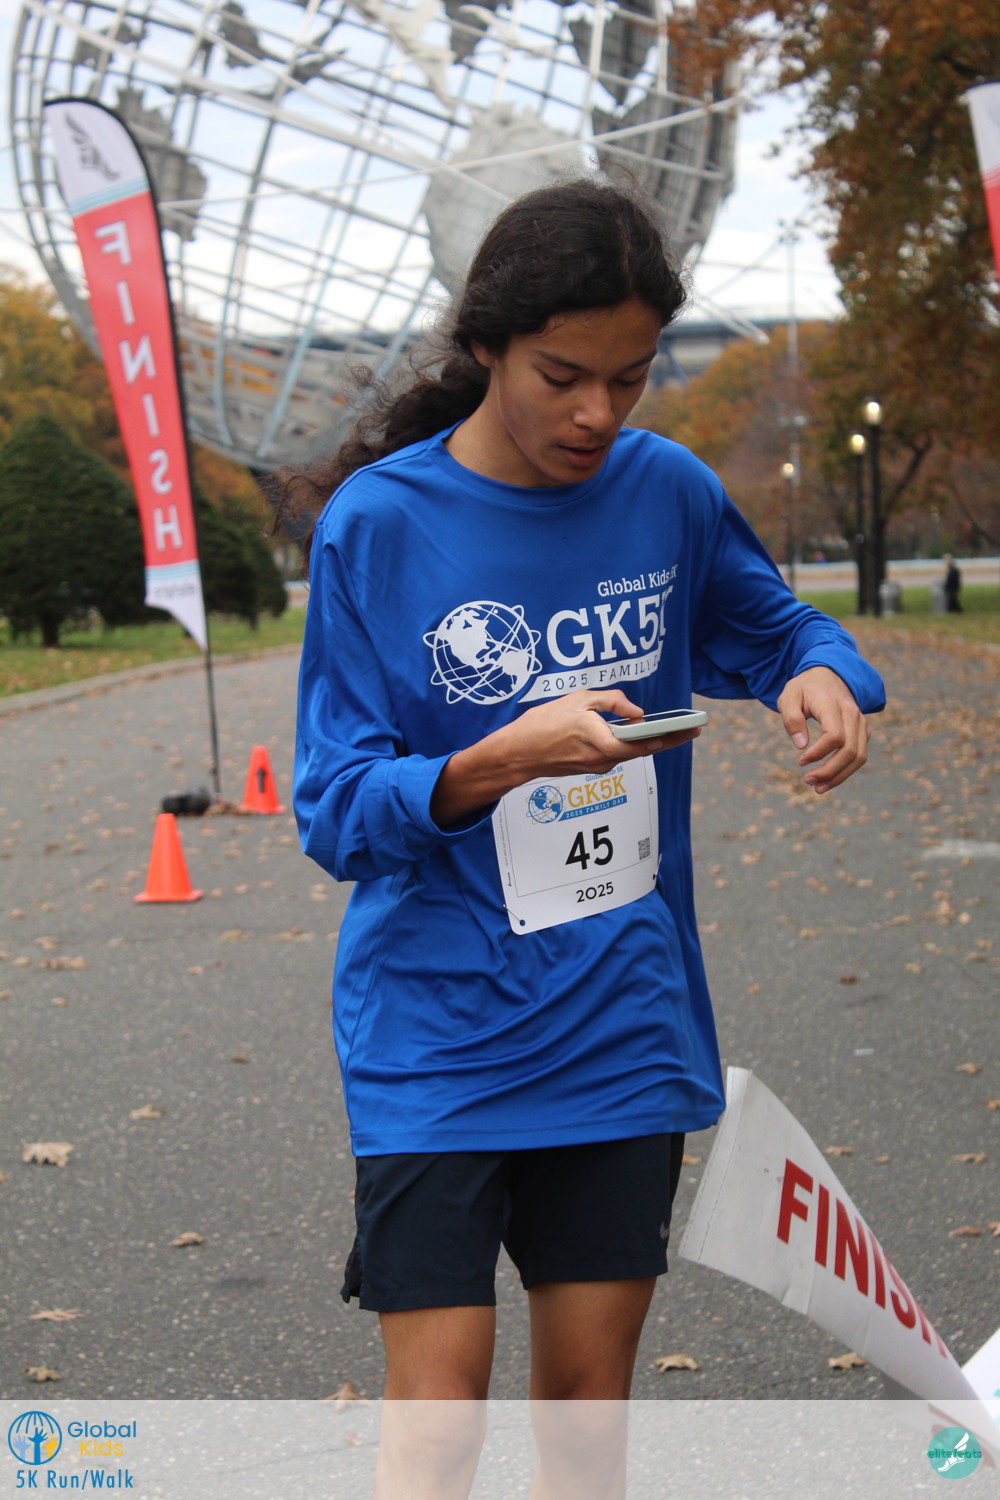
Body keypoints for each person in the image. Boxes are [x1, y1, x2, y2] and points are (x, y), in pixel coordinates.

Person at [290, 177, 884, 1496]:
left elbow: (784, 627)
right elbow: (335, 810)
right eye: (563, 377)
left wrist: (825, 676)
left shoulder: (663, 491)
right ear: (488, 345)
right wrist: (501, 758)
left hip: (619, 1020)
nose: (598, 415)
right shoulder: (380, 525)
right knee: (438, 1424)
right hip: (437, 1032)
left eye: (629, 378)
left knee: (584, 1420)